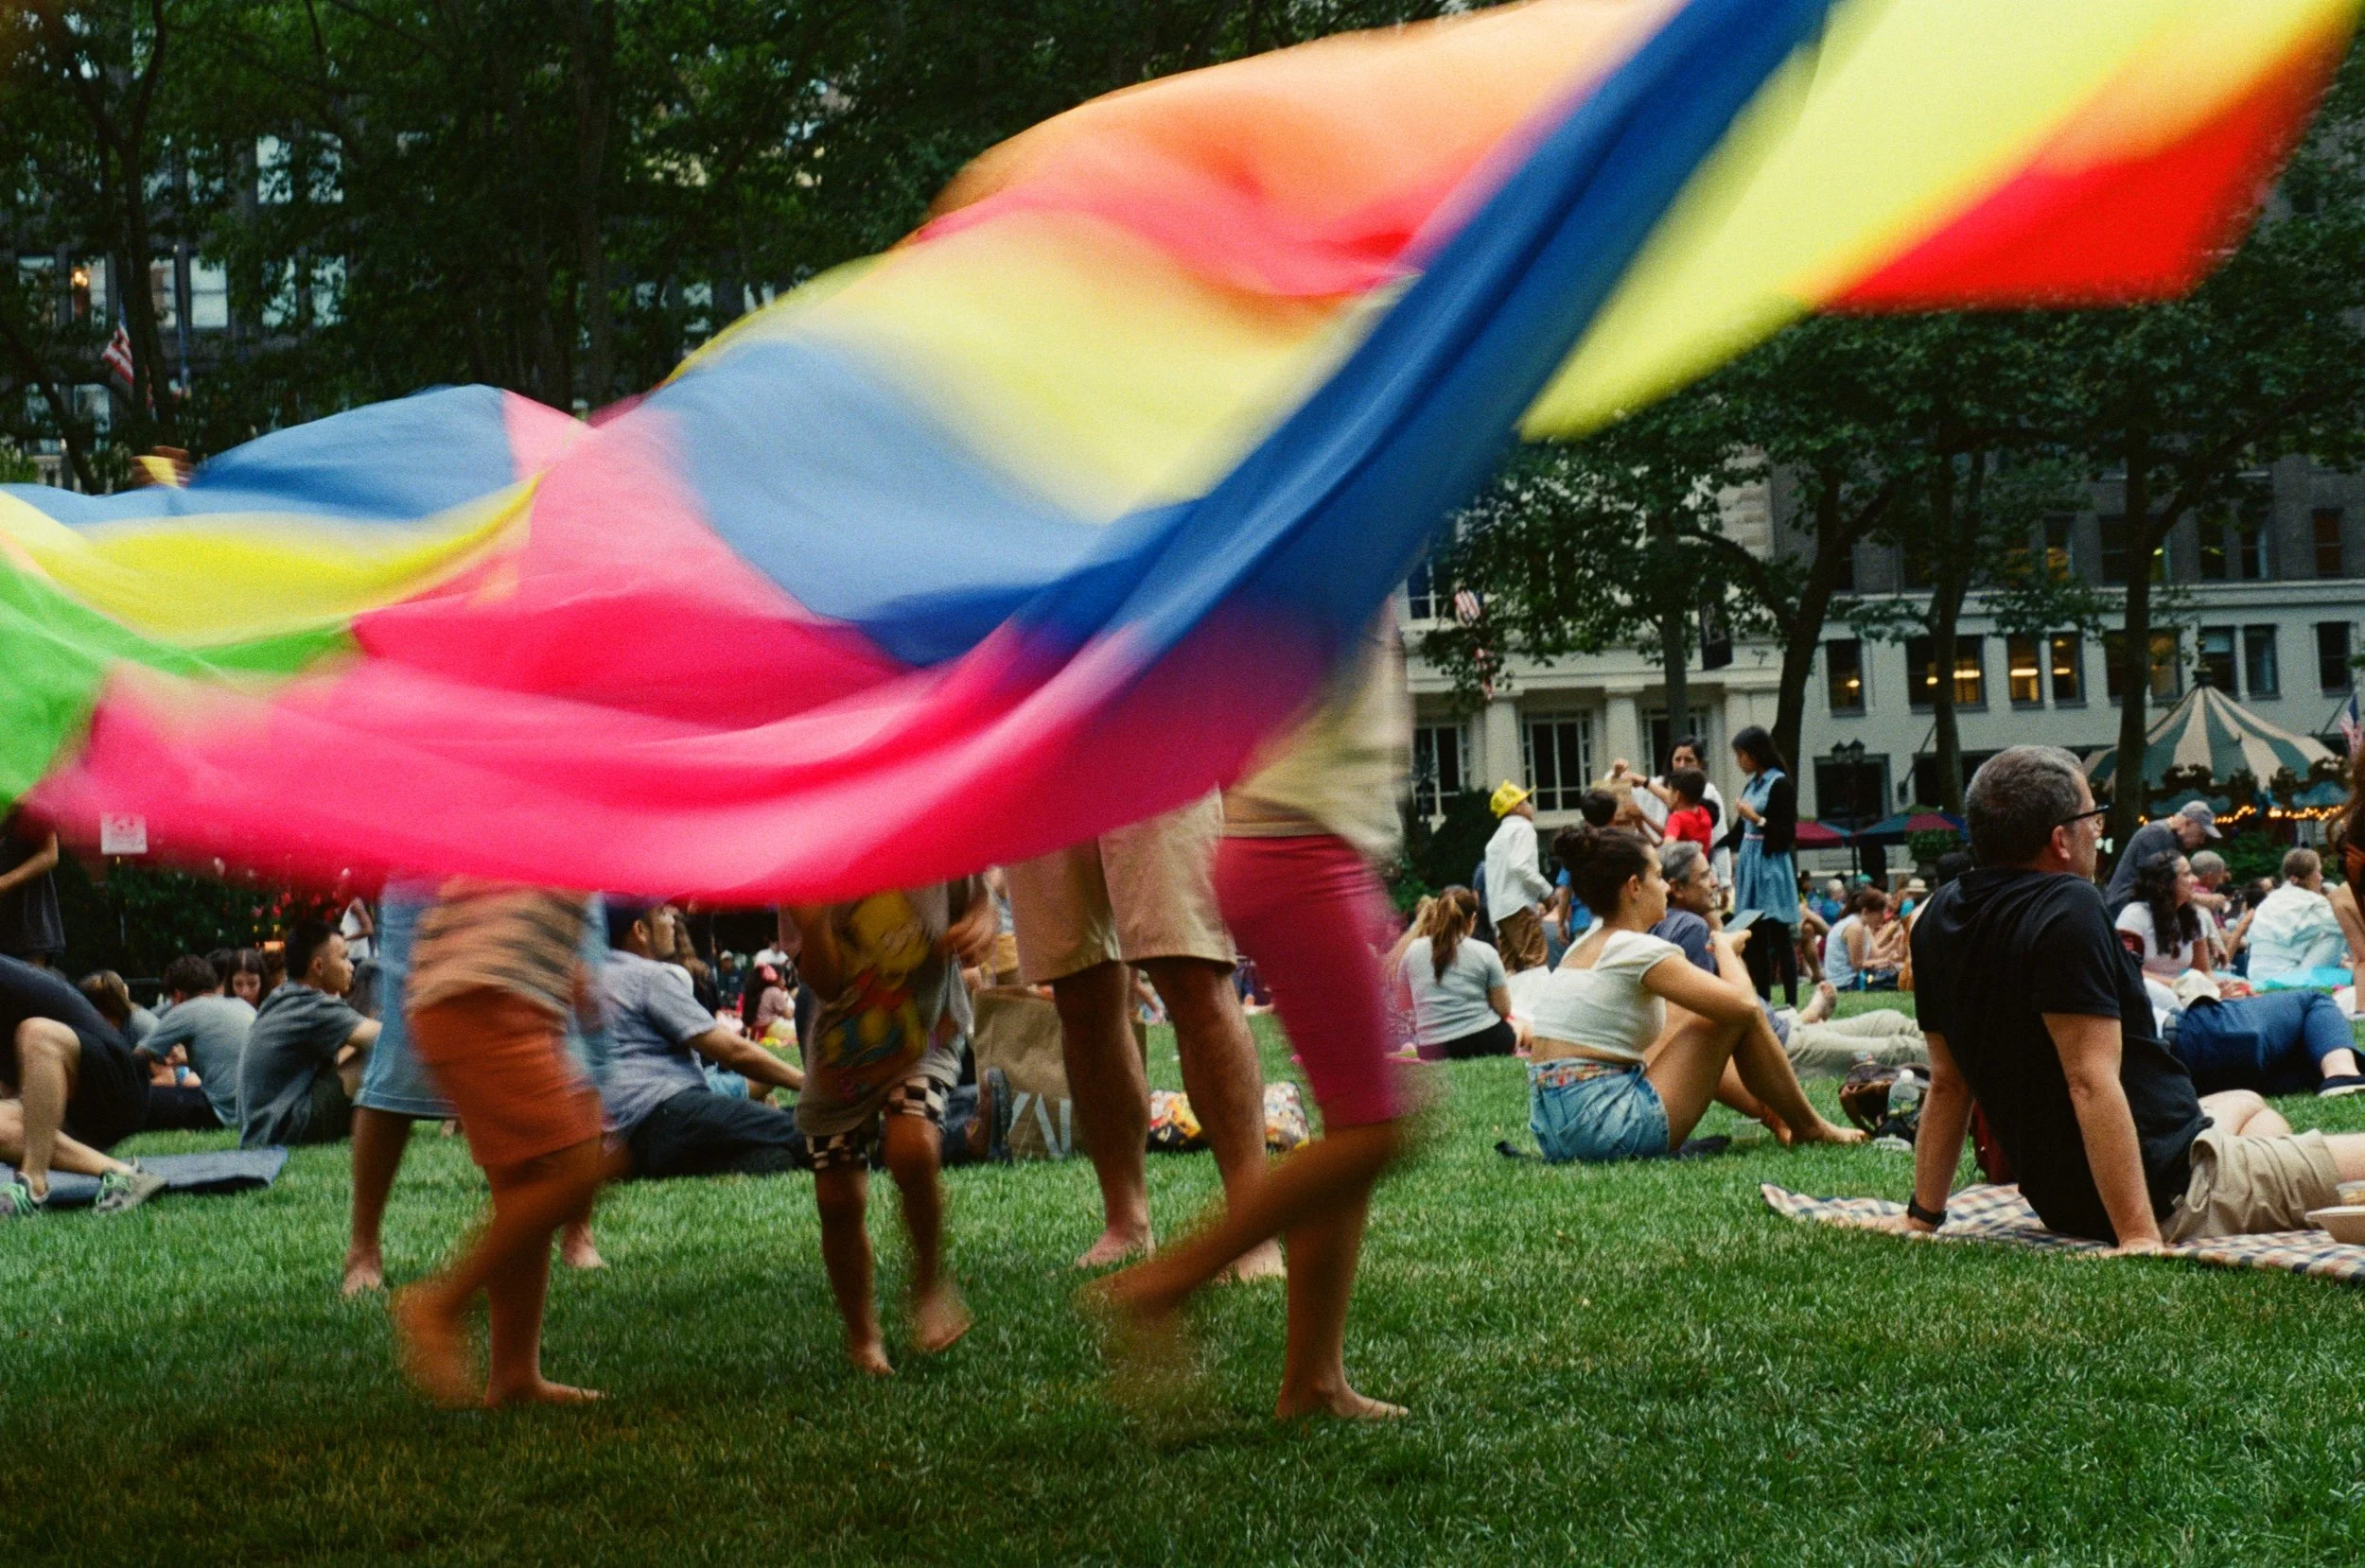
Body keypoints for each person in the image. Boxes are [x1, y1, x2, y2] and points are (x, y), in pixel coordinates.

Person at [1098, 617, 1415, 1419]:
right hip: (1295, 854)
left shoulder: (1348, 561)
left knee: (1355, 1131)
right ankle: (1167, 1282)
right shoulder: (1327, 548)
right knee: (1373, 1131)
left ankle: (1313, 1381)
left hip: (1309, 852)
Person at [1901, 746, 2365, 1248]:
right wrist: (2139, 1237)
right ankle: (2268, 1189)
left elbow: (1948, 1085)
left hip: (2072, 1197)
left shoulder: (1940, 915)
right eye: (2092, 819)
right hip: (2173, 1190)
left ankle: (2273, 1182)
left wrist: (1921, 1218)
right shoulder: (2067, 904)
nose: (2099, 834)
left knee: (2252, 1104)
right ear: (2060, 839)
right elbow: (2088, 1081)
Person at [1005, 793, 1279, 1277]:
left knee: (1191, 964)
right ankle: (1126, 1223)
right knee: (1079, 988)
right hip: (1036, 751)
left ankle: (1252, 1227)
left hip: (1147, 733)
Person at [390, 880, 619, 1407]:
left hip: (484, 1004)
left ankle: (514, 1377)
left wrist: (572, 980)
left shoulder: (536, 818)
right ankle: (439, 1304)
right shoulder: (561, 814)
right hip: (485, 1004)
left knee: (526, 1191)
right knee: (579, 1169)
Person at [1525, 827, 1861, 1163]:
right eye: (1658, 877)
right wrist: (1725, 948)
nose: (1666, 889)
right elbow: (1744, 1006)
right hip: (1607, 1129)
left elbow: (1687, 1042)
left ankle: (1780, 1118)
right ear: (1634, 887)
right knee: (1732, 1014)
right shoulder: (1635, 948)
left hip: (1559, 1133)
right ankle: (1811, 1127)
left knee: (1702, 1018)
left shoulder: (1586, 946)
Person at [343, 884, 611, 1297]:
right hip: (456, 923)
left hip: (545, 899)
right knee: (550, 1168)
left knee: (545, 1158)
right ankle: (422, 1294)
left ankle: (506, 1350)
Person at [786, 877, 990, 1373]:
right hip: (841, 1057)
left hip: (924, 1035)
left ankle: (928, 1282)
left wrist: (980, 924)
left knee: (913, 1147)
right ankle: (863, 1335)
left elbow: (980, 893)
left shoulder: (934, 837)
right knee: (837, 1199)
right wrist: (813, 924)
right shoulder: (806, 864)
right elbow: (828, 984)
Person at [604, 902, 807, 1178]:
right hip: (663, 1112)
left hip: (628, 1139)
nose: (673, 922)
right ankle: (872, 1142)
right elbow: (734, 1052)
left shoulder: (595, 977)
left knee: (774, 1135)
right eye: (662, 914)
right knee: (801, 1127)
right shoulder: (648, 977)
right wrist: (807, 1084)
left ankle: (761, 1158)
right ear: (640, 930)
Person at [0, 955, 166, 1215]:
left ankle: (33, 1184)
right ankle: (125, 1174)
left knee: (36, 1032)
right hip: (66, 1108)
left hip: (120, 1088)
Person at [238, 920, 379, 1148]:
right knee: (379, 1054)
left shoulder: (285, 997)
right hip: (284, 1129)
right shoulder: (312, 1005)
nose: (351, 966)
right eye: (343, 958)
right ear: (318, 967)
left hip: (263, 1129)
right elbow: (386, 1039)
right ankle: (448, 1108)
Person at [2155, 978, 2365, 1098]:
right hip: (2188, 1033)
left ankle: (2343, 1070)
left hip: (2174, 1080)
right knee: (2312, 999)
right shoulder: (2133, 918)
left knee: (2306, 1060)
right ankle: (2342, 1074)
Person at [1398, 886, 1522, 1061]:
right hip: (1484, 1040)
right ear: (1473, 919)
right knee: (1520, 1027)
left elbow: (1404, 1003)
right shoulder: (1485, 952)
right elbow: (1504, 1009)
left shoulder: (1413, 950)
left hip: (1431, 1048)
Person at [1724, 725, 1800, 1006]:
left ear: (1756, 754)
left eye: (1741, 755)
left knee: (1779, 936)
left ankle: (1791, 1002)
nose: (1739, 761)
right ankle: (1763, 999)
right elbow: (1737, 833)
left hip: (1770, 865)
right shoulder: (1752, 784)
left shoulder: (1779, 784)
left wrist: (1757, 818)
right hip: (1750, 862)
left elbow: (1785, 833)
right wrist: (1710, 847)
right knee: (1754, 938)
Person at [142, 952, 254, 1130]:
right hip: (253, 1110)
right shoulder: (240, 1005)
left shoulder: (187, 1009)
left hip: (224, 1113)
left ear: (177, 996)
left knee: (140, 1098)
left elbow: (135, 1059)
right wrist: (186, 1061)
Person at [2244, 848, 2352, 982]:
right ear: (2302, 877)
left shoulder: (2270, 899)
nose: (2321, 877)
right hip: (2288, 976)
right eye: (2318, 871)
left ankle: (2346, 963)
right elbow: (2349, 924)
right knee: (2342, 928)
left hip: (2254, 974)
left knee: (2326, 929)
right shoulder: (2313, 902)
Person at [1481, 780, 1552, 974]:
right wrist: (1547, 891)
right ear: (1516, 807)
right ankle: (1538, 1004)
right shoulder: (1523, 828)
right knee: (1536, 963)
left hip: (1500, 911)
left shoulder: (1496, 838)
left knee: (1509, 970)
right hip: (1520, 907)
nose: (1530, 805)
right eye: (1526, 801)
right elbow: (1520, 865)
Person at [2101, 799, 2219, 914]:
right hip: (2125, 908)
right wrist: (2199, 899)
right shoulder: (2157, 835)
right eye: (2201, 834)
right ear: (2188, 823)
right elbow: (2156, 885)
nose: (2202, 841)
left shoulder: (2167, 836)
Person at [2113, 852, 2212, 981]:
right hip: (2141, 994)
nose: (2196, 880)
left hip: (2179, 994)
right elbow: (2127, 969)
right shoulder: (2134, 916)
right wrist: (2174, 986)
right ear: (2166, 882)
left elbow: (2203, 970)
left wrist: (2218, 988)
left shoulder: (2195, 917)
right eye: (2187, 874)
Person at [0, 810, 64, 967]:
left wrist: (4, 882)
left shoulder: (31, 797)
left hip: (27, 924)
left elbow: (50, 853)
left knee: (27, 988)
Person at [1823, 888, 1899, 991]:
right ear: (1865, 911)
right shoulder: (1855, 927)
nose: (1882, 918)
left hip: (1856, 979)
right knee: (1896, 979)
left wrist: (1895, 941)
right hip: (1847, 984)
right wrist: (1886, 961)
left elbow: (1876, 955)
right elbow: (1857, 965)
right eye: (1880, 914)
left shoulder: (1863, 926)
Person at [1660, 769, 1716, 858]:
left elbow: (1667, 846)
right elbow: (1671, 832)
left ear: (1677, 795)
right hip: (1702, 866)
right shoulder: (1704, 812)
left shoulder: (1676, 818)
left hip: (1684, 870)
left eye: (1670, 790)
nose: (1667, 795)